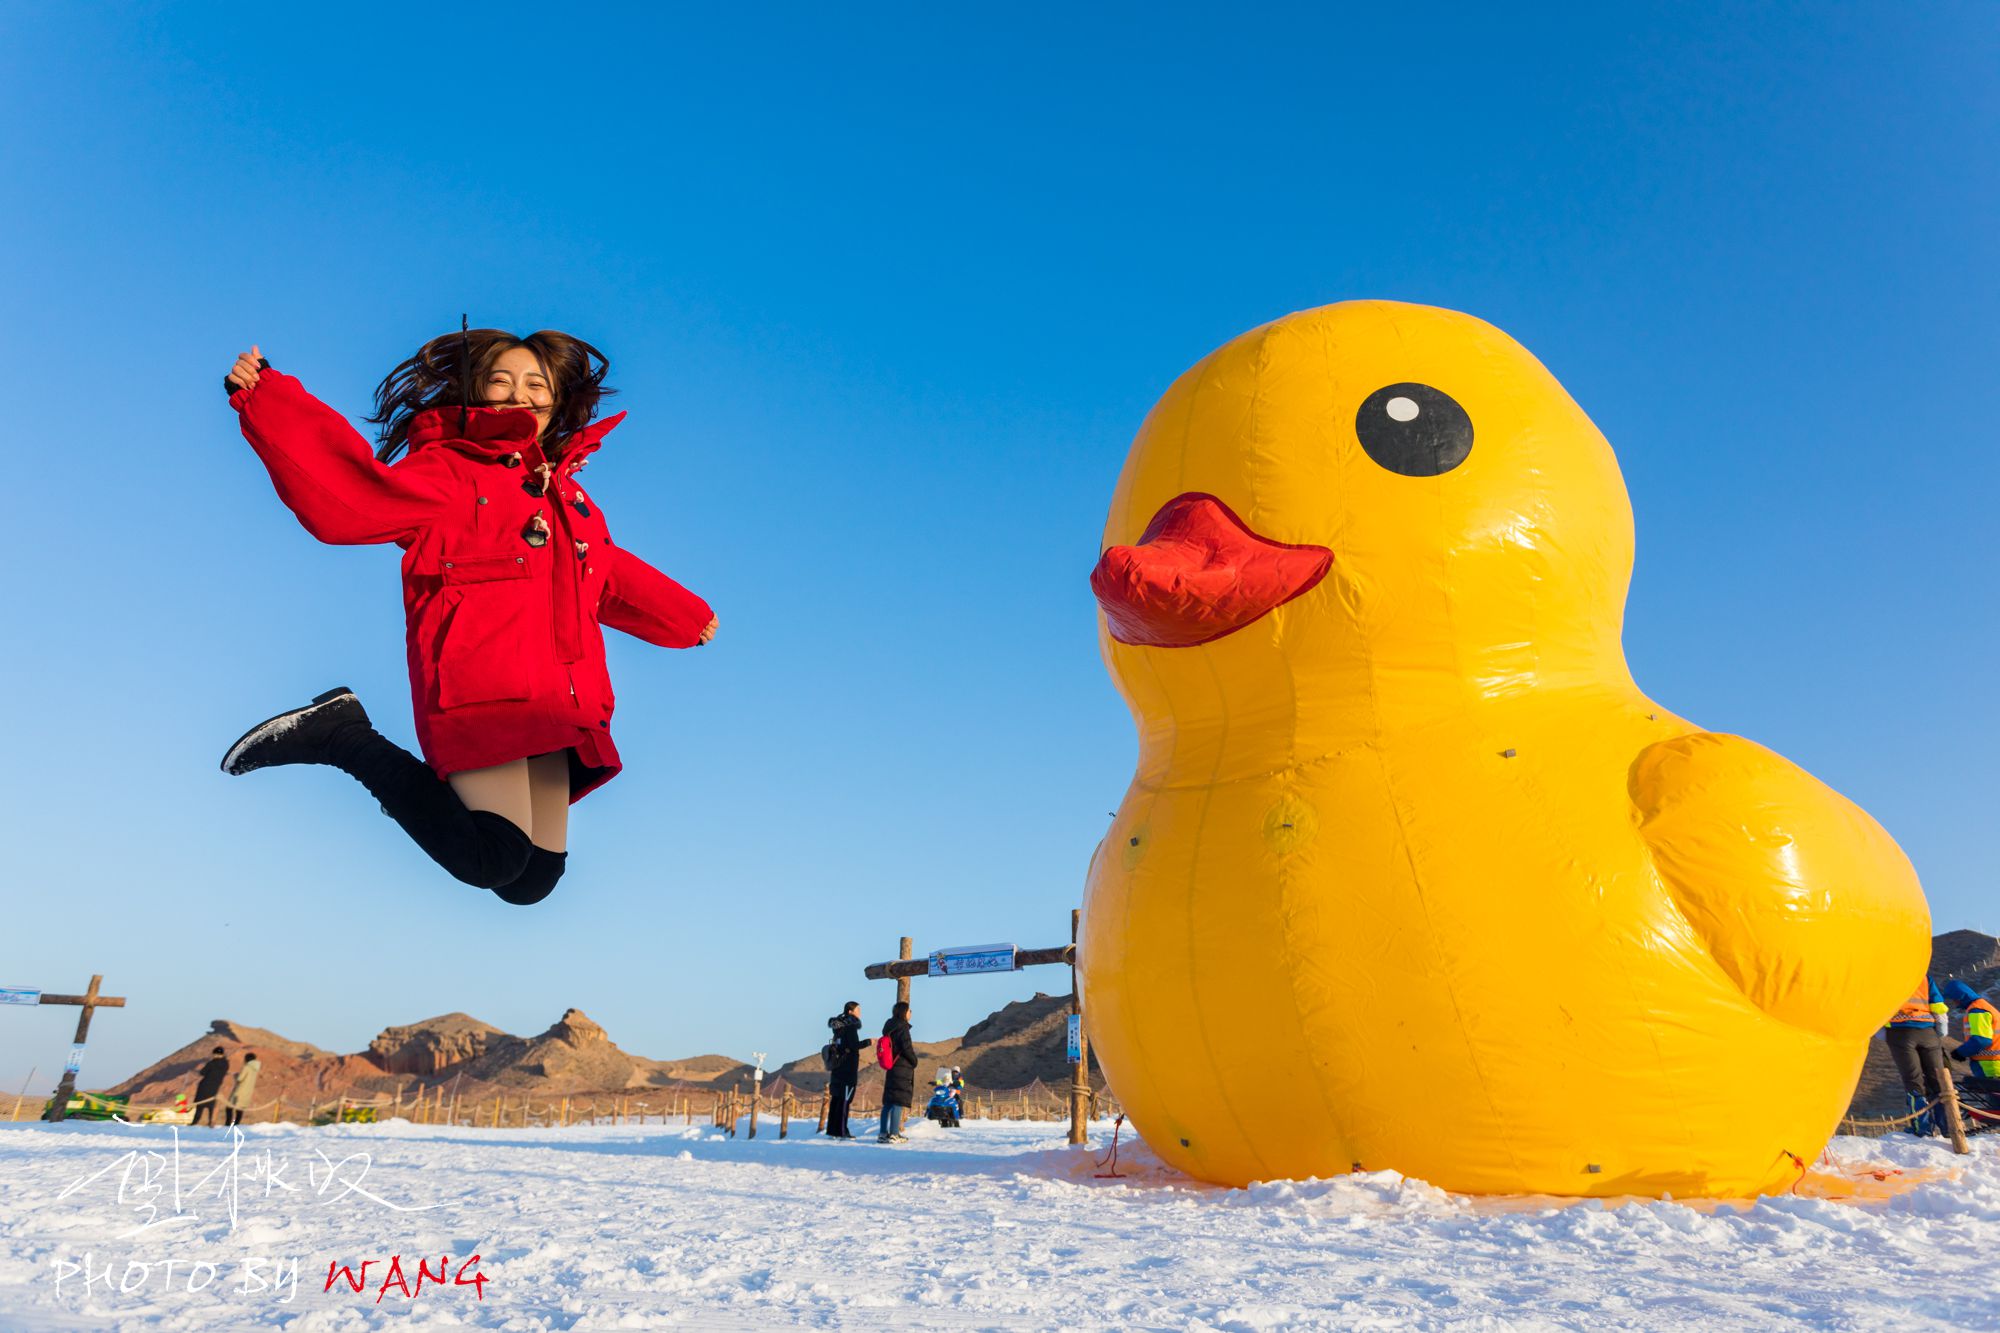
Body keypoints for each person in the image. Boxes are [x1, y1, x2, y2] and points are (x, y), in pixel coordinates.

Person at [217, 333, 717, 906]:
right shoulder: (452, 470)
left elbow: (603, 569)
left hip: (560, 697)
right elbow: (353, 495)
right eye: (501, 381)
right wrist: (269, 399)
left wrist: (684, 617)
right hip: (485, 683)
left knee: (532, 881)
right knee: (491, 858)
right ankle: (341, 736)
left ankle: (345, 734)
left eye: (536, 385)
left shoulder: (571, 500)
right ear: (475, 392)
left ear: (556, 402)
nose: (519, 394)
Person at [1885, 975, 1949, 1135]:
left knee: (1913, 1080)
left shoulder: (1884, 976)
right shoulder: (1923, 977)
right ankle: (1949, 1126)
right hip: (1928, 1032)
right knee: (1938, 1080)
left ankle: (1923, 1128)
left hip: (1900, 1033)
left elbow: (1876, 1008)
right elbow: (1938, 1005)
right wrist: (1940, 1031)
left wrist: (1883, 1033)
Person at [1944, 980, 2000, 1091]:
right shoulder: (1983, 1007)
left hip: (1990, 1067)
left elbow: (1981, 1040)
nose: (1954, 1003)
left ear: (1961, 997)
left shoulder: (1977, 1010)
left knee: (1994, 1106)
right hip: (1992, 1065)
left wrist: (1961, 1052)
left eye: (1954, 999)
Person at [824, 1001, 865, 1139]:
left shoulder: (838, 1029)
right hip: (847, 1069)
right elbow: (853, 1045)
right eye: (858, 1009)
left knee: (836, 1099)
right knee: (845, 1100)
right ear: (850, 1012)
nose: (860, 1012)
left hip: (837, 1068)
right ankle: (842, 1130)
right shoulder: (850, 1027)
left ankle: (833, 1130)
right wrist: (869, 1042)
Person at [878, 1001, 917, 1143]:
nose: (911, 1013)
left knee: (888, 1102)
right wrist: (914, 1061)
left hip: (891, 1067)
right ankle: (894, 1134)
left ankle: (883, 1134)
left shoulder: (890, 1027)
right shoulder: (902, 1028)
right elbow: (906, 1047)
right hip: (902, 1068)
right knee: (898, 1102)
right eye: (909, 1010)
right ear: (904, 1012)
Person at [190, 1046, 229, 1127]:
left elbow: (202, 1072)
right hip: (215, 1086)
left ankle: (194, 1123)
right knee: (211, 1105)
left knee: (199, 1106)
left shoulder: (211, 1063)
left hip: (205, 1086)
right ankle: (211, 1122)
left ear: (215, 1054)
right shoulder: (226, 1064)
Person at [224, 1051, 261, 1128]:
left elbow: (240, 1078)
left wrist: (236, 1075)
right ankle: (236, 1124)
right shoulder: (255, 1069)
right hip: (248, 1091)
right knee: (240, 1108)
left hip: (240, 1090)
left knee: (229, 1107)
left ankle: (227, 1125)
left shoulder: (247, 1067)